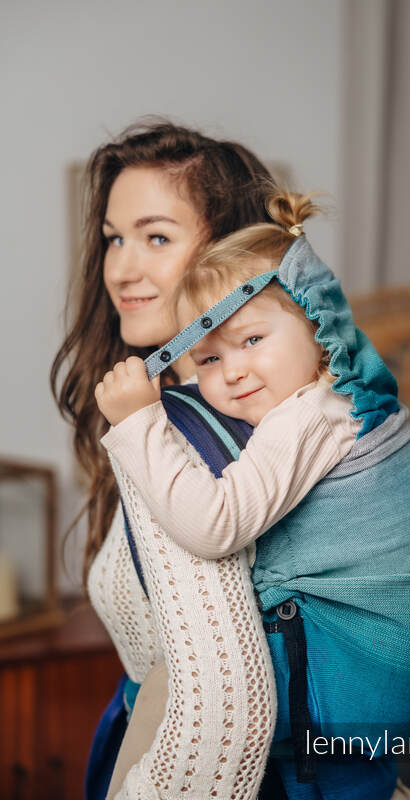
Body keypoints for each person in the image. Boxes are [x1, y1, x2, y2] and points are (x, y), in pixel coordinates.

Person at [95, 191, 410, 799]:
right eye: (207, 357)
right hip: (403, 672)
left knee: (186, 679)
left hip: (363, 670)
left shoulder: (311, 415)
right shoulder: (344, 394)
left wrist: (139, 424)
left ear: (316, 330)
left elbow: (215, 524)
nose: (232, 371)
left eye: (252, 340)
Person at [51, 119, 290, 800]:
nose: (121, 269)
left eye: (156, 237)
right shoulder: (174, 410)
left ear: (229, 252)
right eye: (114, 239)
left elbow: (226, 719)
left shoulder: (178, 438)